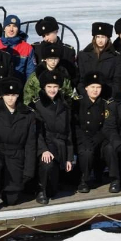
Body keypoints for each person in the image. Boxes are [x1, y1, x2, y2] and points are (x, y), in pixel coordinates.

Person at [0, 77, 37, 212]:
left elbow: (30, 143)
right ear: (2, 96)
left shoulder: (28, 114)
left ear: (18, 95)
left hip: (17, 156)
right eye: (7, 95)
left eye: (13, 95)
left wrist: (29, 169)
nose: (10, 98)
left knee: (11, 201)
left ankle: (10, 188)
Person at [30, 71, 74, 205]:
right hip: (45, 144)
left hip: (60, 146)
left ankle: (51, 186)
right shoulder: (36, 105)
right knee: (47, 164)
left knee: (54, 191)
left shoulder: (65, 105)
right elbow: (35, 132)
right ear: (44, 87)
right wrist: (43, 149)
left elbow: (68, 133)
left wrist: (69, 158)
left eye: (55, 87)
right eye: (49, 87)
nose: (52, 90)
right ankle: (40, 189)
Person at [72, 72, 108, 193]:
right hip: (82, 138)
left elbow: (107, 125)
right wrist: (84, 138)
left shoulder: (104, 104)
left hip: (99, 137)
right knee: (86, 152)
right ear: (86, 88)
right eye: (92, 87)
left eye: (98, 87)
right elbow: (75, 124)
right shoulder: (77, 102)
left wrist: (99, 137)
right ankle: (84, 180)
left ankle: (100, 172)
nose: (95, 90)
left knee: (109, 148)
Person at [76, 22, 121, 97]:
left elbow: (117, 81)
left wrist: (110, 97)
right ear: (94, 38)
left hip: (108, 96)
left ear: (108, 38)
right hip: (87, 97)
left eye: (103, 37)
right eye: (98, 37)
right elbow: (80, 79)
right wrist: (85, 95)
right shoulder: (83, 55)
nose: (100, 40)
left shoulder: (116, 57)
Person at [32, 16, 77, 83]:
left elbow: (73, 75)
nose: (46, 38)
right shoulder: (36, 49)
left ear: (56, 31)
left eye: (48, 34)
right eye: (43, 36)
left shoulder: (68, 51)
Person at [0, 14, 35, 82]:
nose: (11, 29)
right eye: (8, 26)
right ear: (4, 28)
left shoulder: (27, 48)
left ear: (18, 29)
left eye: (14, 26)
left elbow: (30, 74)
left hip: (19, 87)